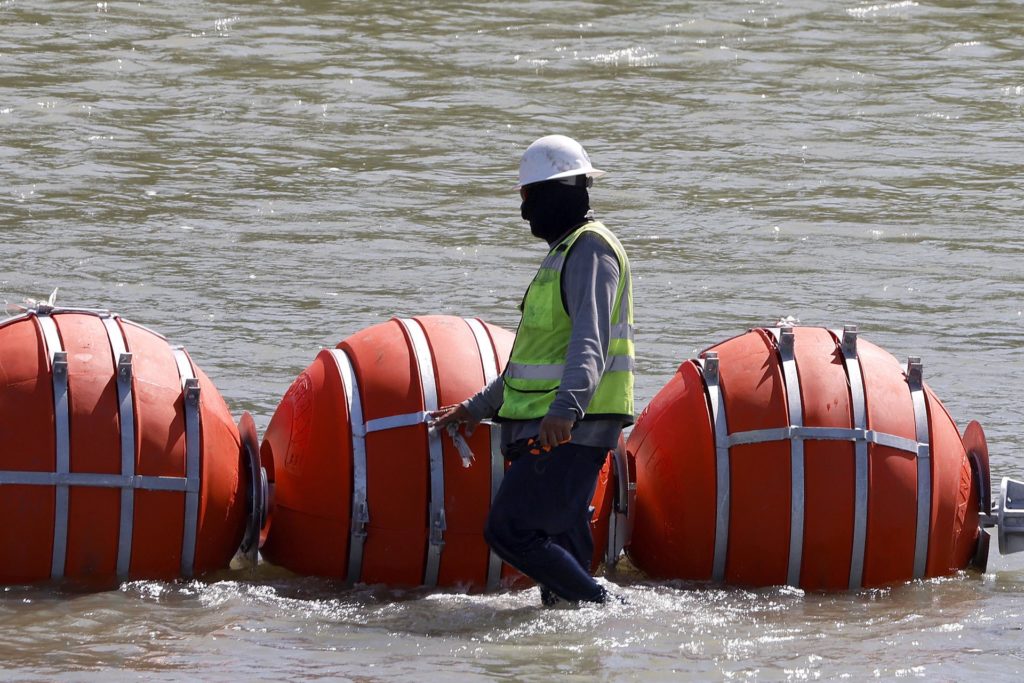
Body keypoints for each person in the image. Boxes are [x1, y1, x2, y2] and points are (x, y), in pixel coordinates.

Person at [432, 134, 634, 606]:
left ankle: (607, 608)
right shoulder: (562, 254)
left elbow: (590, 339)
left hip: (568, 429)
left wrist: (566, 411)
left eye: (528, 197)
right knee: (560, 559)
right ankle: (582, 633)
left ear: (555, 194)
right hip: (551, 425)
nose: (524, 212)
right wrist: (475, 407)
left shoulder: (590, 250)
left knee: (510, 529)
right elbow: (529, 364)